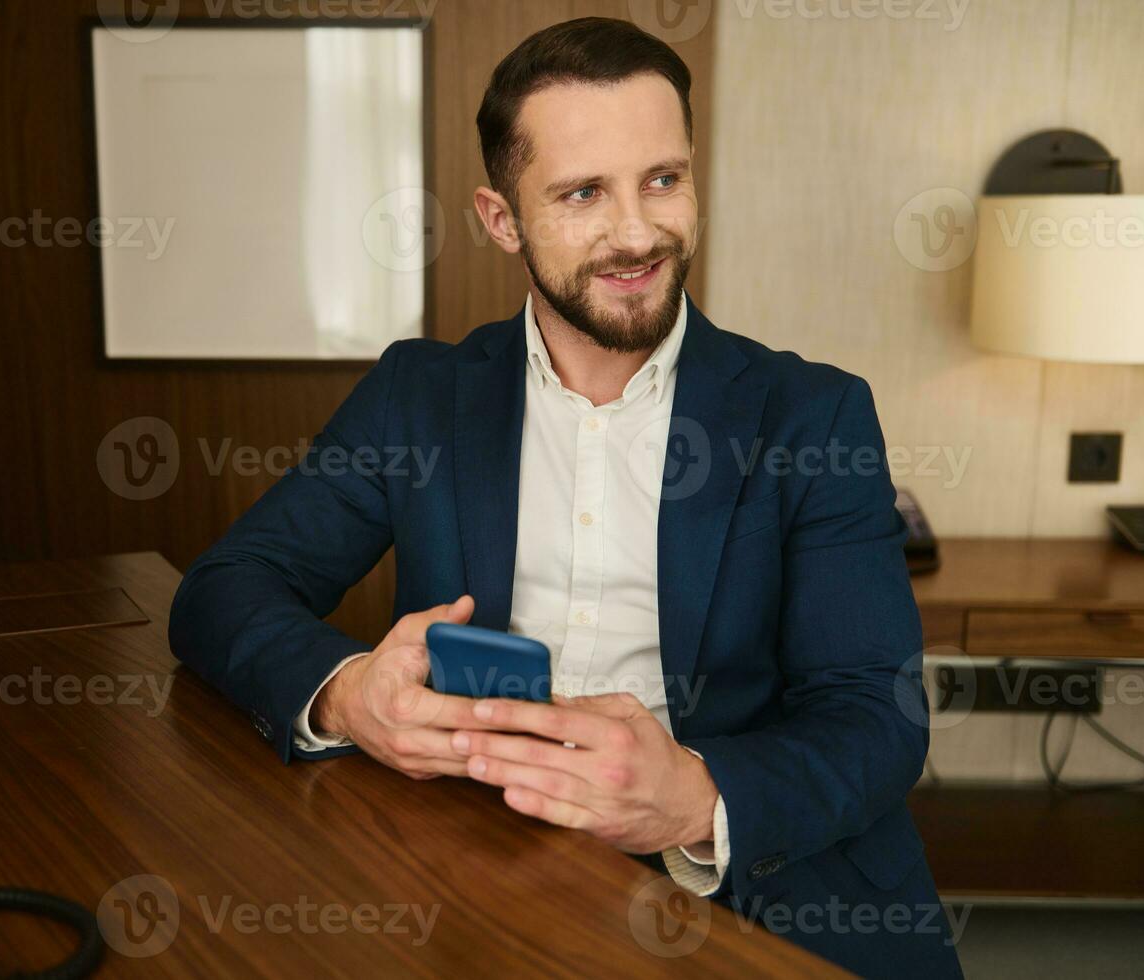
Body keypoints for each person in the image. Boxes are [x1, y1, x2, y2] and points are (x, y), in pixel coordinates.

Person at [170, 17, 962, 977]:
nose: (637, 232)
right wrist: (347, 696)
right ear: (501, 218)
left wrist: (693, 794)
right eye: (583, 192)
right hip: (482, 872)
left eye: (662, 180)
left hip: (747, 887)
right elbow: (227, 587)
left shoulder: (813, 415)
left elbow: (876, 717)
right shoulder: (416, 397)